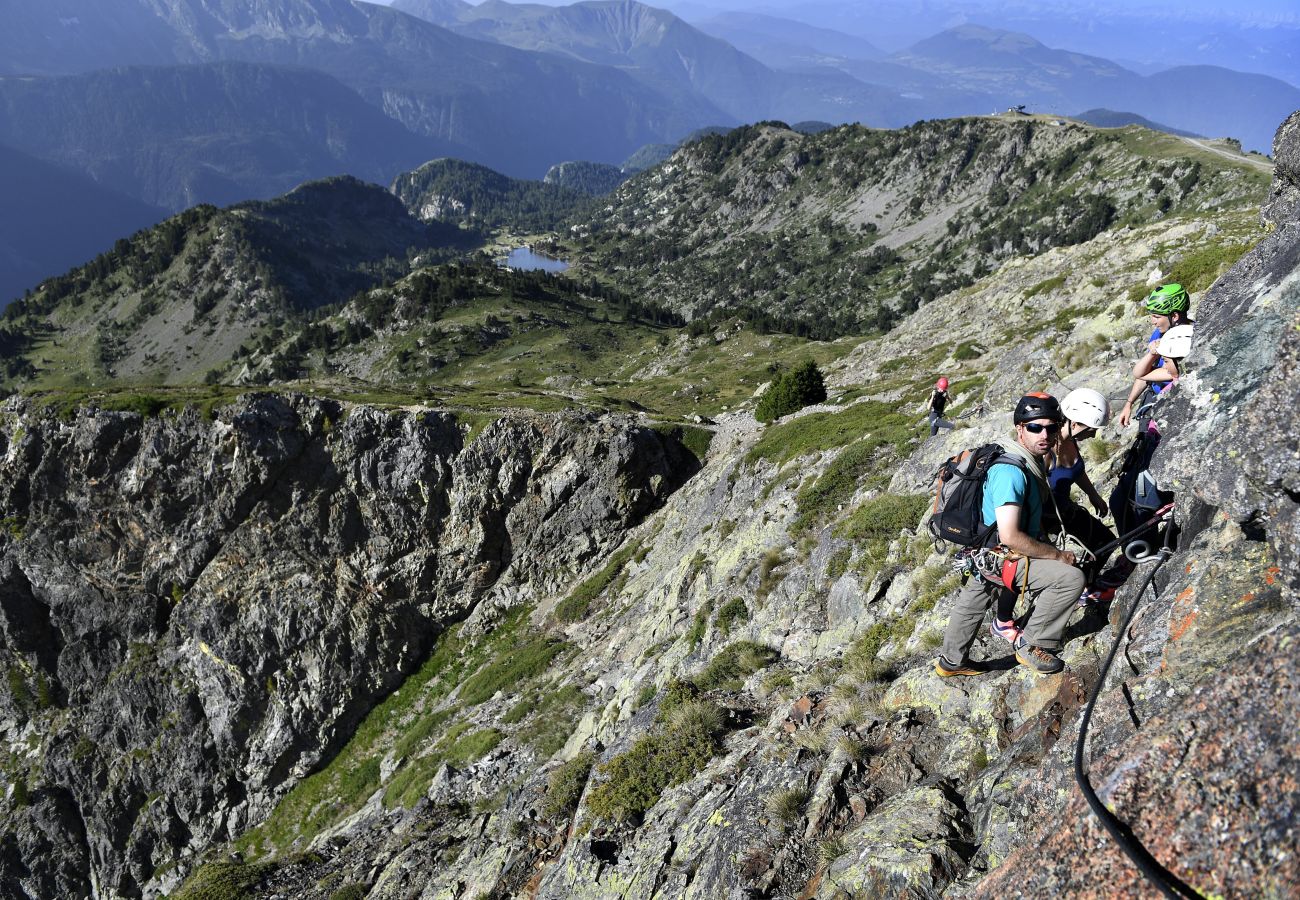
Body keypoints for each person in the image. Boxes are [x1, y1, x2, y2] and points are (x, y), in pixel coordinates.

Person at [936, 393, 1087, 677]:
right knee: (1070, 579)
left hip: (984, 550)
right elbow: (1010, 536)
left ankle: (951, 662)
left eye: (1052, 428)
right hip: (1003, 552)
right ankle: (1035, 645)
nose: (1045, 434)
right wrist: (1057, 555)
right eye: (1035, 427)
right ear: (1020, 429)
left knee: (975, 596)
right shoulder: (1012, 472)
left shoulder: (1020, 458)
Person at [1117, 284, 1193, 428]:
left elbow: (1144, 373)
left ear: (1174, 316)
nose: (1153, 321)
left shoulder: (1187, 339)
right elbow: (1145, 372)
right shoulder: (1159, 334)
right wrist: (1129, 403)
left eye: (1156, 316)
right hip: (1153, 396)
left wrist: (1153, 355)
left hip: (1170, 399)